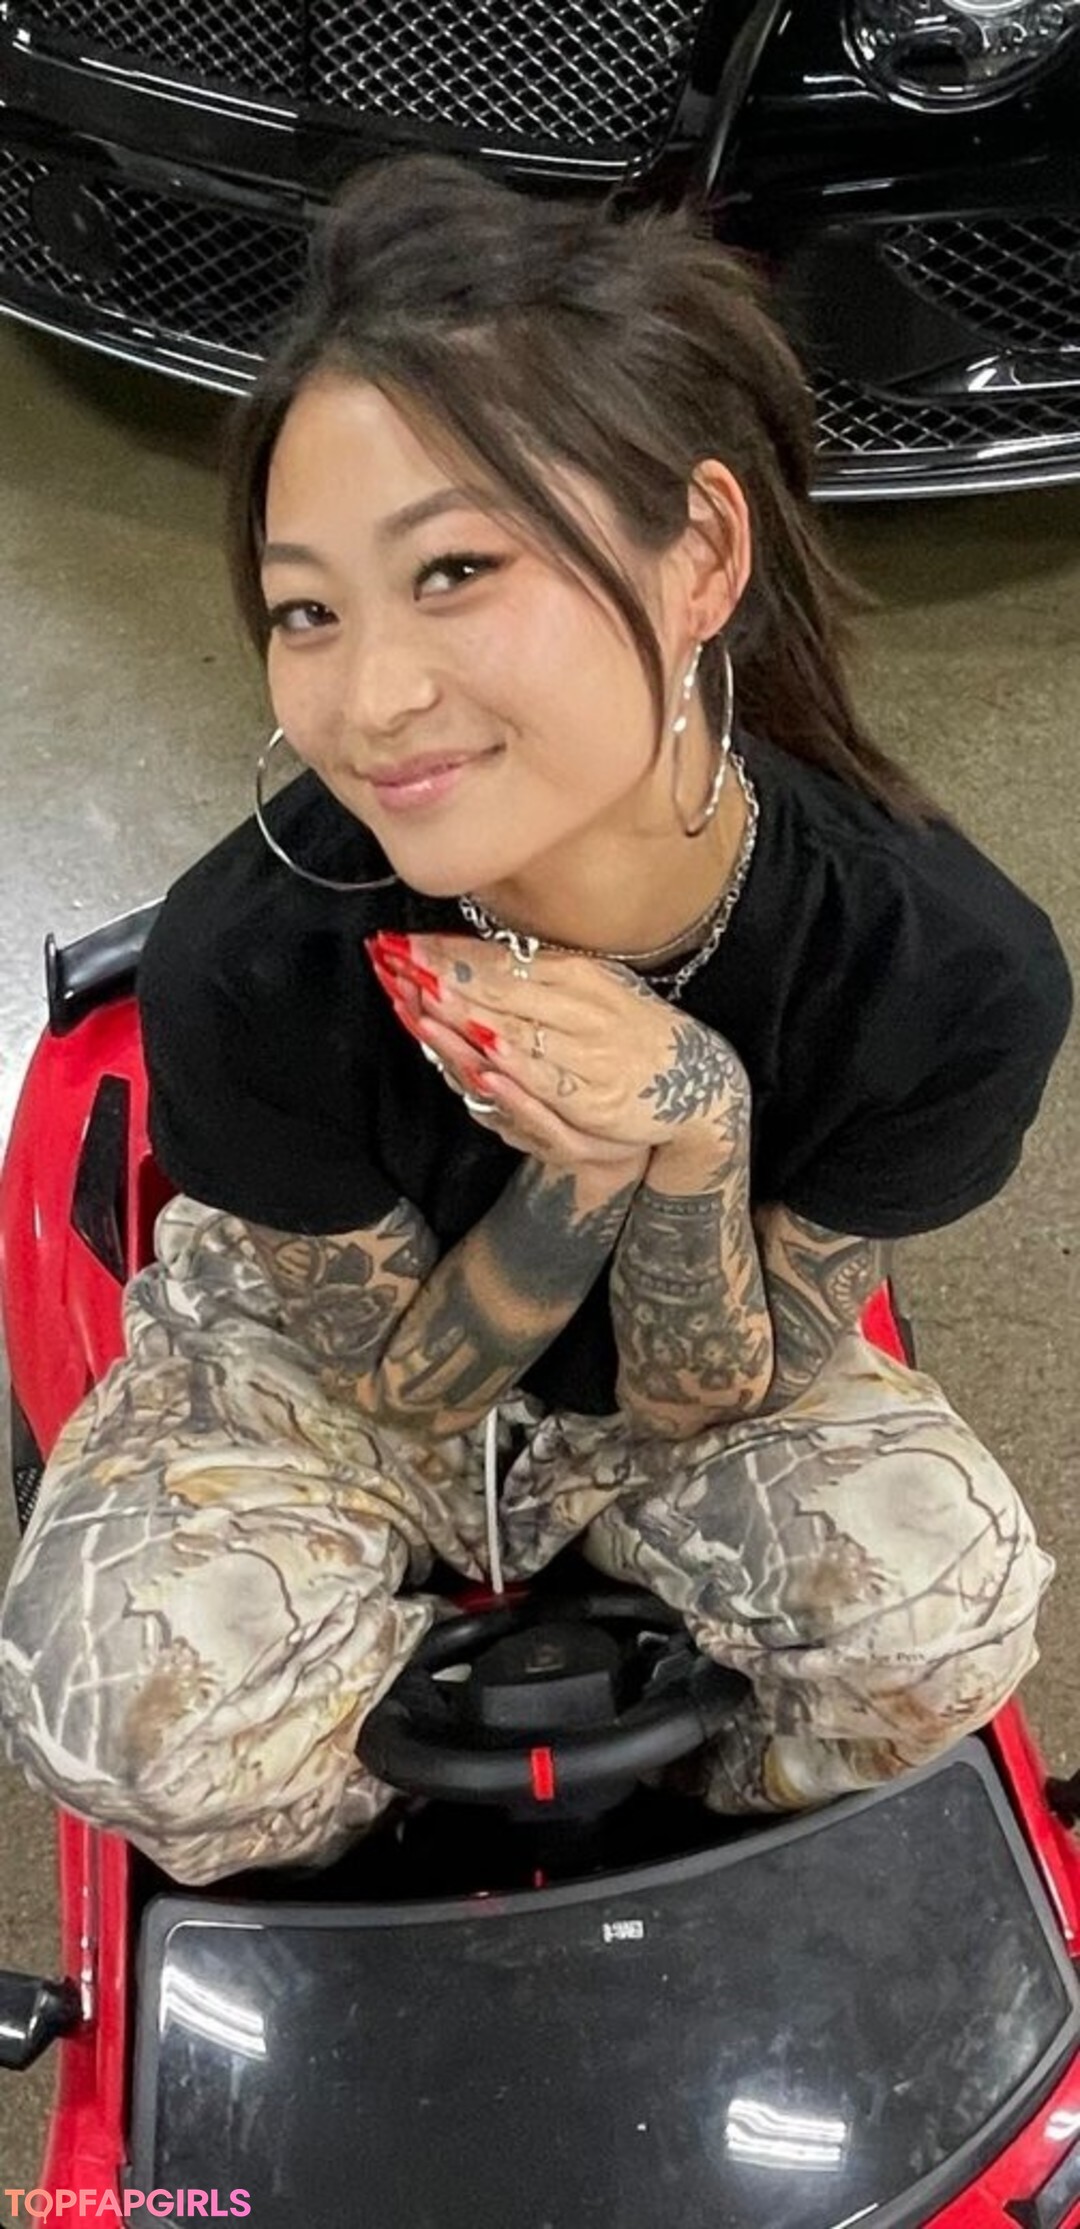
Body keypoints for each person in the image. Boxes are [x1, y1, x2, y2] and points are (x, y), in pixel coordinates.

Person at [0, 155, 1071, 1887]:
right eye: (307, 609)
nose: (370, 697)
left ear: (700, 552)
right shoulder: (247, 959)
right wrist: (576, 1175)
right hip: (329, 1375)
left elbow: (720, 1392)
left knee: (946, 1620)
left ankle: (676, 1824)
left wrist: (697, 1127)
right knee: (112, 1711)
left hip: (687, 1397)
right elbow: (400, 1391)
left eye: (455, 569)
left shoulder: (942, 968)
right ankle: (407, 1841)